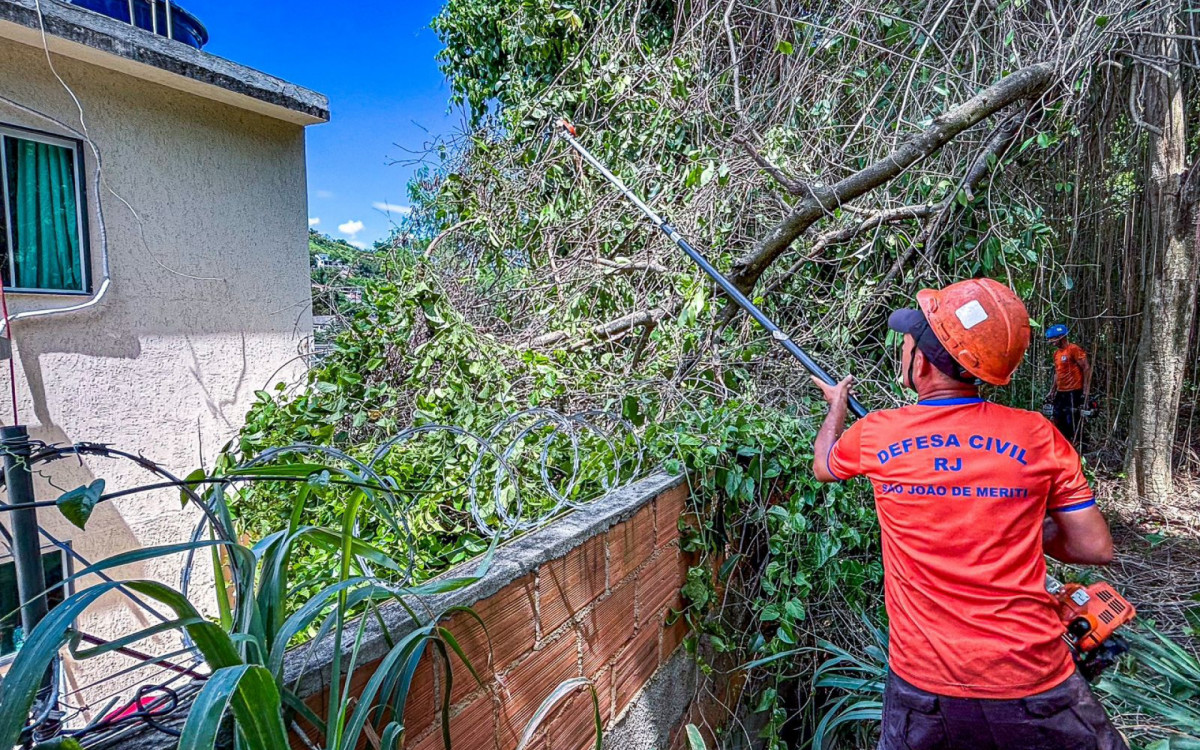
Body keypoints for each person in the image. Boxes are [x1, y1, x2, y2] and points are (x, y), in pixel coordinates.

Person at [809, 279, 1125, 750]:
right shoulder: (1038, 435)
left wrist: (837, 406)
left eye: (908, 342)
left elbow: (824, 465)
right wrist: (1014, 523)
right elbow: (1093, 546)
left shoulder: (876, 433)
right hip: (1033, 679)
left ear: (920, 362)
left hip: (924, 688)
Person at [1044, 324, 1092, 449]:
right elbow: (1057, 373)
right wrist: (1052, 391)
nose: (1051, 342)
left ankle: (1078, 446)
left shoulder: (1073, 349)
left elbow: (1086, 368)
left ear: (1061, 337)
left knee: (1072, 420)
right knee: (1057, 418)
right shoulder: (1056, 354)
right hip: (1061, 392)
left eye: (1053, 339)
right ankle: (1063, 446)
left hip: (1073, 391)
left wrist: (1085, 391)